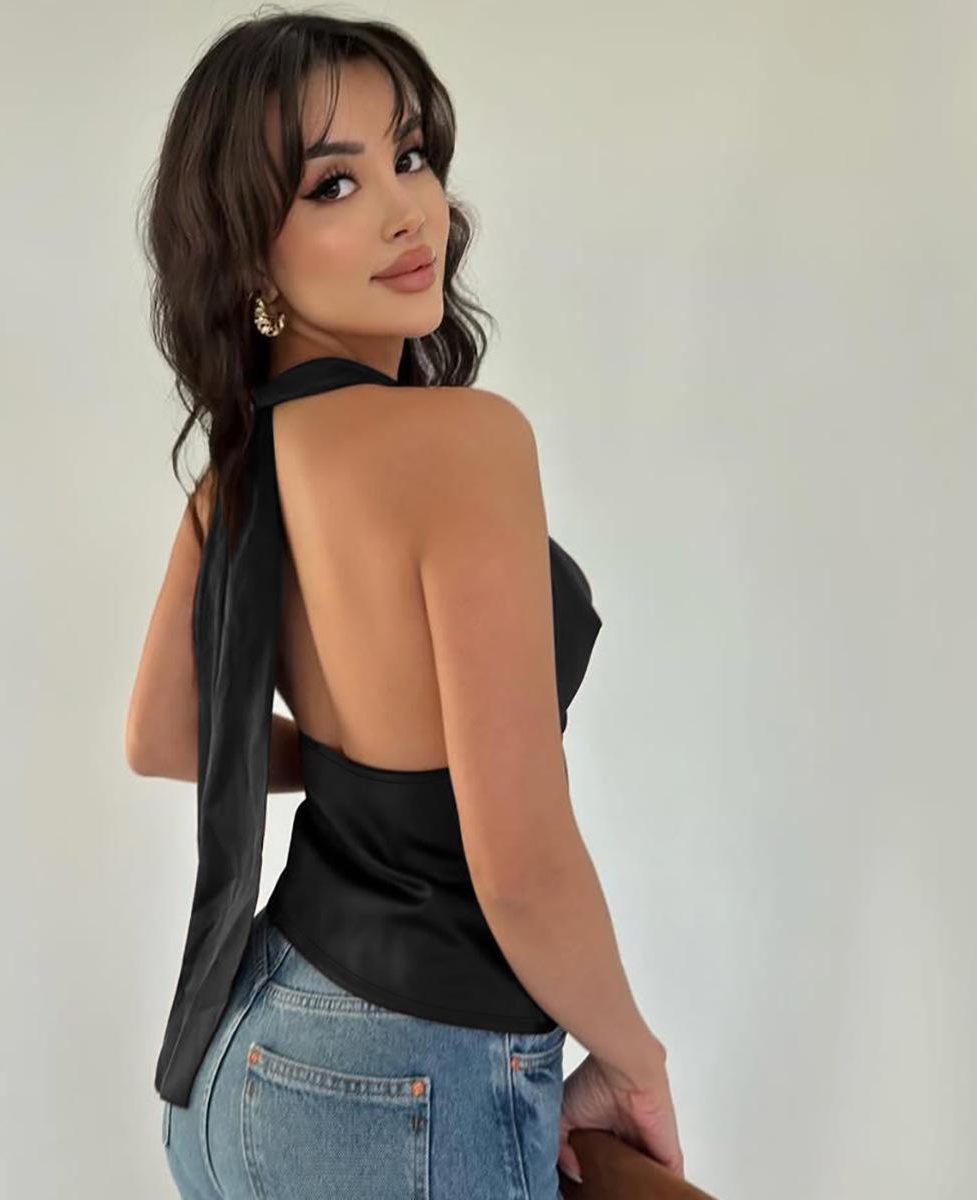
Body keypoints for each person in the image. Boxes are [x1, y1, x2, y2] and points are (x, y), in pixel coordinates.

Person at [125, 10, 684, 1198]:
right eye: (334, 183)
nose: (406, 211)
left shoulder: (241, 465)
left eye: (412, 156)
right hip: (404, 1083)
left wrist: (362, 771)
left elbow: (166, 737)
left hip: (238, 1064)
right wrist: (634, 1059)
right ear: (246, 253)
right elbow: (519, 864)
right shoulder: (466, 444)